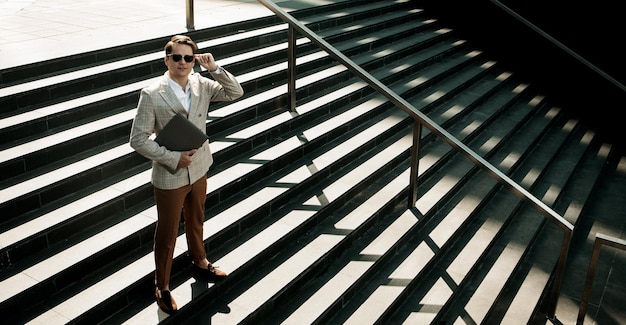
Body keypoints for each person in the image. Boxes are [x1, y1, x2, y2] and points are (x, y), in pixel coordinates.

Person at [129, 34, 244, 314]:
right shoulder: (152, 93)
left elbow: (235, 92)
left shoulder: (202, 84)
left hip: (200, 167)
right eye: (177, 57)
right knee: (167, 233)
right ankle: (163, 286)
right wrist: (171, 158)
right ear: (166, 59)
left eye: (188, 57)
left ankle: (200, 261)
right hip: (170, 174)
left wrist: (214, 68)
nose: (183, 62)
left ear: (195, 60)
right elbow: (138, 139)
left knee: (196, 219)